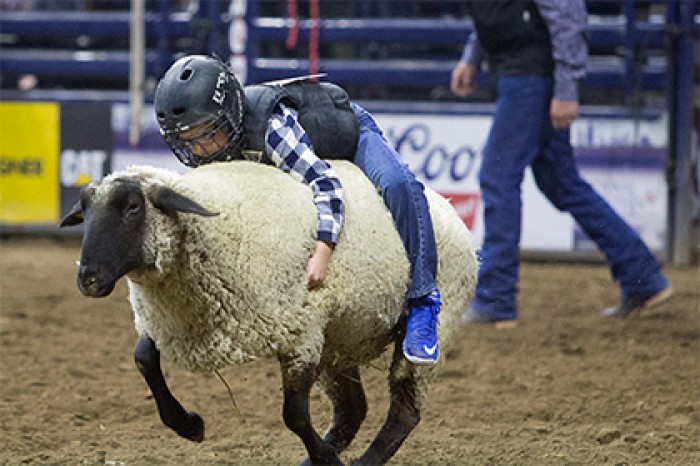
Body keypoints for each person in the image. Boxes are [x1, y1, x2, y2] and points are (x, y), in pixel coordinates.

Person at [153, 55, 441, 364]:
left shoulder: (273, 130)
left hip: (351, 133)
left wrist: (322, 252)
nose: (199, 150)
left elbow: (324, 181)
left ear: (230, 113)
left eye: (208, 132)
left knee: (398, 184)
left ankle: (424, 299)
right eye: (187, 141)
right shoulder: (213, 146)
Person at [451, 0, 673, 325]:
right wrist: (473, 56)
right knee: (562, 182)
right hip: (522, 71)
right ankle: (642, 276)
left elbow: (567, 16)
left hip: (530, 75)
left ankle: (496, 298)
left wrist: (567, 88)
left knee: (498, 176)